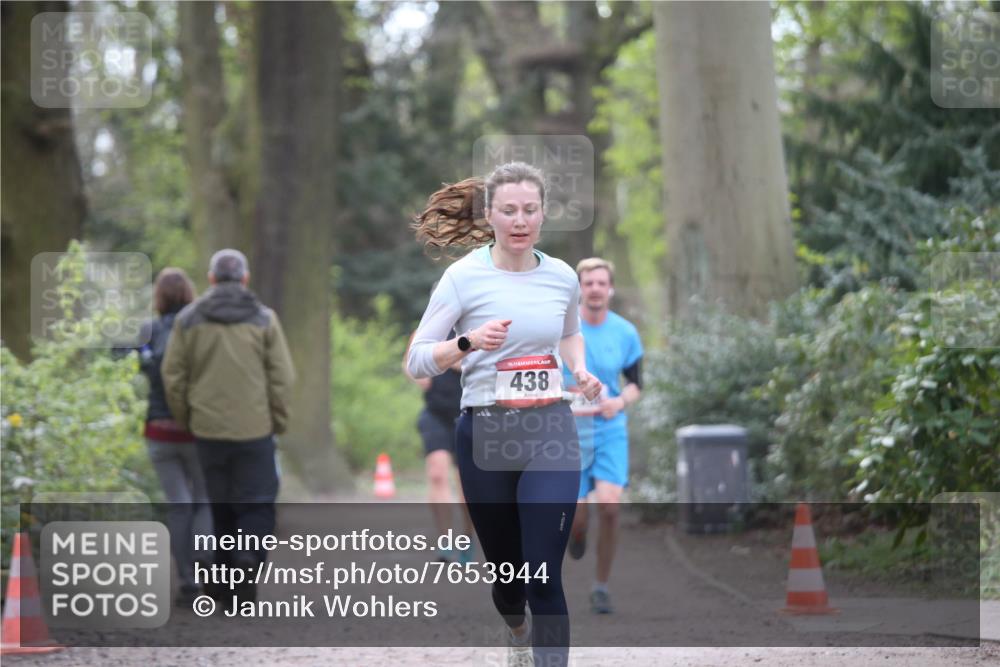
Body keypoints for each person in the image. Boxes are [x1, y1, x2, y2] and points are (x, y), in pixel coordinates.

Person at [407, 162, 602, 667]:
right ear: (489, 214)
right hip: (486, 434)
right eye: (510, 210)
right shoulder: (462, 278)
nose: (521, 220)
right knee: (510, 581)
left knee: (543, 574)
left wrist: (579, 369)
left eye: (530, 210)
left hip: (550, 430)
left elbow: (569, 332)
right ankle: (516, 630)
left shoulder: (561, 276)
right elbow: (417, 359)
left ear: (543, 215)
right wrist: (467, 343)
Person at [162, 249, 295, 604]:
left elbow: (173, 376)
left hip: (207, 431)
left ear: (211, 279)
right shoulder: (264, 319)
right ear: (245, 278)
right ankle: (248, 560)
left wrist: (186, 419)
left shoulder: (188, 320)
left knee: (219, 507)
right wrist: (276, 421)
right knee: (258, 505)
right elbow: (281, 378)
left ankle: (223, 585)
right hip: (255, 429)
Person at [564, 258, 643, 615]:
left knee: (610, 508)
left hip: (609, 428)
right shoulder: (563, 330)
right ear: (579, 288)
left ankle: (601, 586)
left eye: (601, 283)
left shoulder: (625, 332)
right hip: (569, 432)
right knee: (577, 517)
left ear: (610, 289)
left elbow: (637, 384)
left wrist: (620, 401)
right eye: (588, 283)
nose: (594, 288)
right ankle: (576, 534)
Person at [139, 268, 212, 607]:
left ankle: (186, 576)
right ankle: (205, 565)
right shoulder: (200, 331)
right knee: (204, 501)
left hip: (159, 430)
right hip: (197, 429)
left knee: (178, 504)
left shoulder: (149, 331)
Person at [403, 329, 476, 564]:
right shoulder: (429, 328)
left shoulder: (477, 326)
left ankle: (467, 540)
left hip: (469, 415)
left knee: (468, 489)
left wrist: (445, 358)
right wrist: (416, 373)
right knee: (436, 473)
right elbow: (410, 362)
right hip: (436, 414)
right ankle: (445, 542)